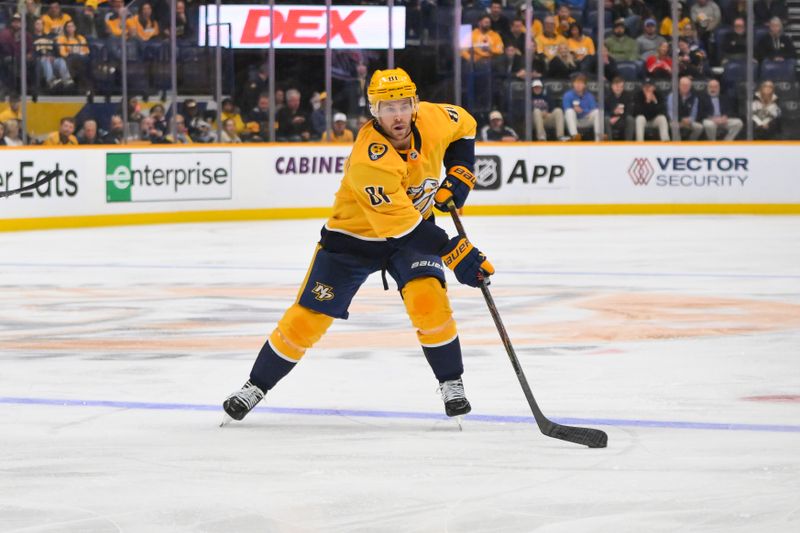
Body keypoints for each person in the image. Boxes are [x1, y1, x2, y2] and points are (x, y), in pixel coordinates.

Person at [221, 68, 494, 424]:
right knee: (307, 320)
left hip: (410, 235)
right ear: (373, 111)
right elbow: (406, 229)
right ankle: (255, 385)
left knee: (429, 301)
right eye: (387, 106)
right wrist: (456, 252)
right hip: (353, 241)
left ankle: (451, 382)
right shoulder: (370, 161)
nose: (397, 115)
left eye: (403, 105)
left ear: (414, 104)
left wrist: (460, 172)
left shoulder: (432, 118)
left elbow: (466, 126)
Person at [562, 73, 600, 140]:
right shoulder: (568, 95)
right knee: (569, 111)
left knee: (597, 112)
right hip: (573, 120)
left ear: (584, 85)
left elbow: (593, 109)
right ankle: (575, 137)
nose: (578, 85)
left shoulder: (589, 96)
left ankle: (598, 139)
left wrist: (582, 111)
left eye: (580, 83)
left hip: (586, 119)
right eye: (576, 83)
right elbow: (566, 108)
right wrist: (574, 109)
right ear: (573, 84)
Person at [667, 76, 703, 140]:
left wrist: (690, 120)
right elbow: (671, 112)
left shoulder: (694, 98)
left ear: (690, 86)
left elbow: (694, 113)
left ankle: (690, 143)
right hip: (675, 120)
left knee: (699, 127)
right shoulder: (672, 96)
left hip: (688, 121)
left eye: (687, 85)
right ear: (679, 85)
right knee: (675, 126)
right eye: (683, 85)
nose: (685, 87)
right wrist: (680, 120)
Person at [605, 76, 634, 140]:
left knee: (630, 119)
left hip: (623, 119)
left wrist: (619, 117)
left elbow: (630, 111)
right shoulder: (608, 97)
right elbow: (604, 111)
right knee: (606, 119)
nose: (618, 88)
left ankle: (628, 144)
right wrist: (613, 112)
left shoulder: (627, 96)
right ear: (612, 86)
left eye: (620, 86)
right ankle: (609, 144)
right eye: (616, 86)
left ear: (623, 87)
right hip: (612, 119)